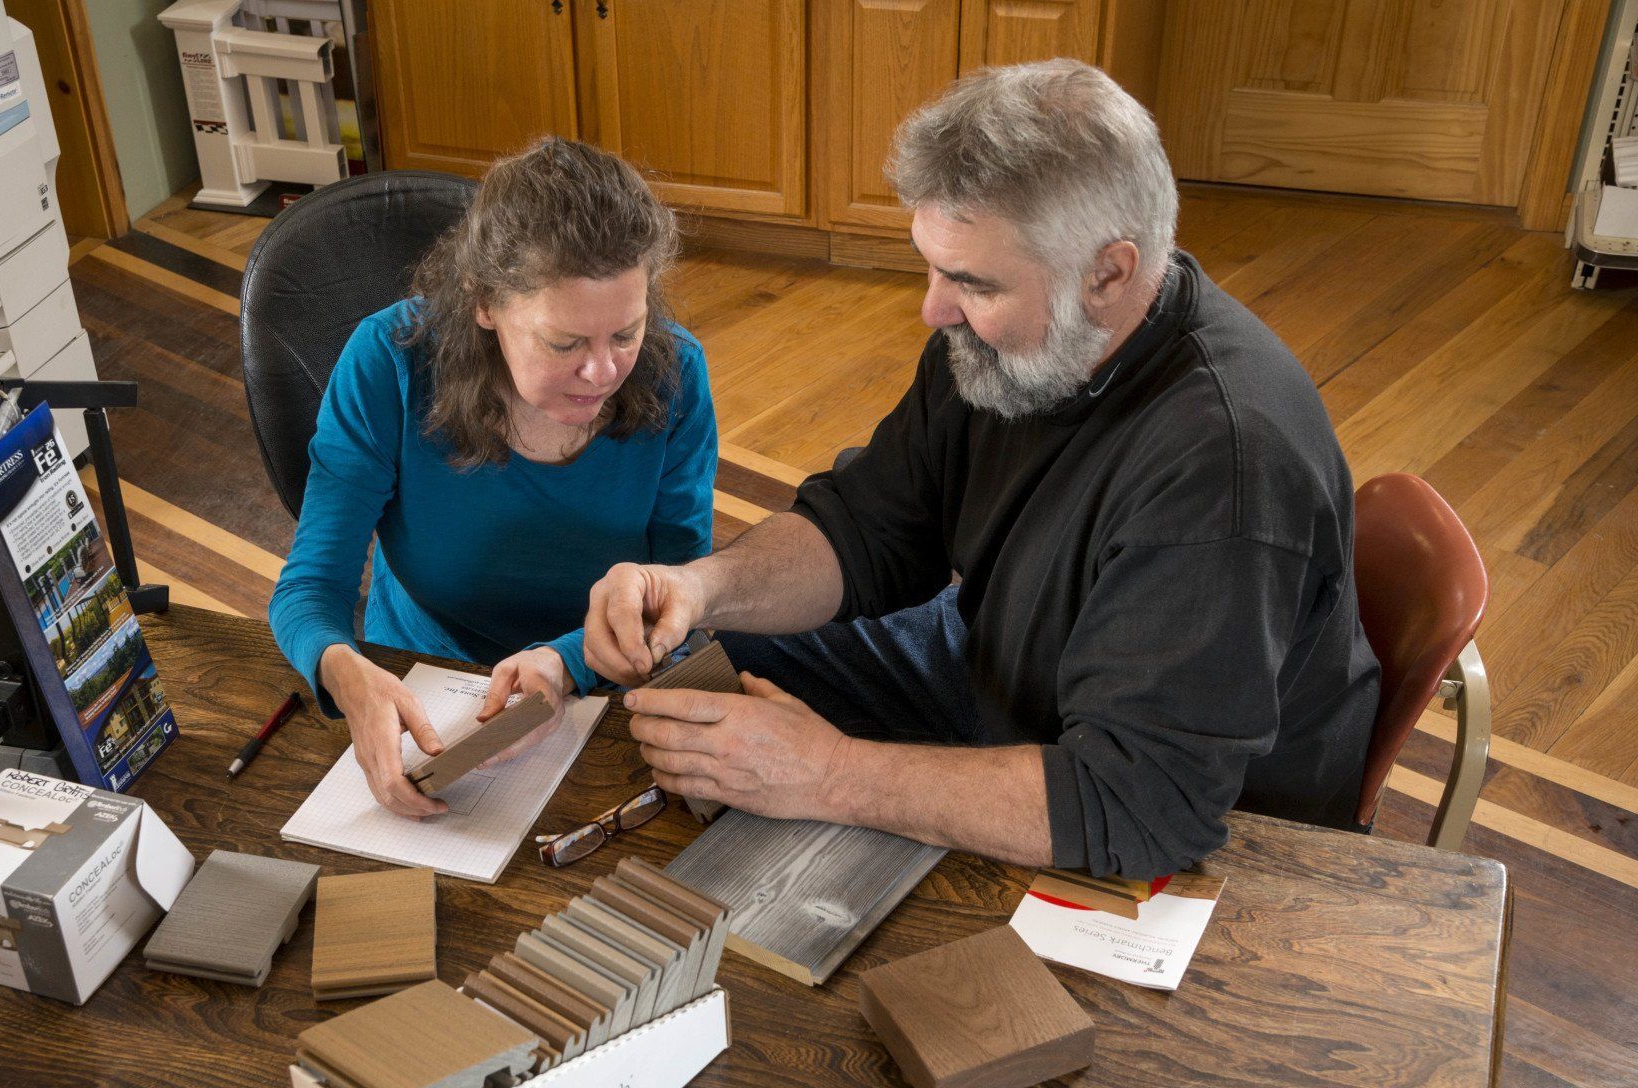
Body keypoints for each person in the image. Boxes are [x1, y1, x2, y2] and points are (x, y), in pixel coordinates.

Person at [582, 61, 1380, 881]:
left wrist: (828, 773)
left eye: (969, 281)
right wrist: (701, 586)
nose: (933, 308)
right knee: (713, 651)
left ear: (1108, 272)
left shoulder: (1223, 467)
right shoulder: (1015, 343)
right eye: (932, 266)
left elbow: (1137, 804)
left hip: (1204, 838)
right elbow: (868, 526)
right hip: (1008, 681)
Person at [270, 138, 716, 819]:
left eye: (625, 333)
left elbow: (675, 592)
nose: (602, 371)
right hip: (426, 695)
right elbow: (309, 586)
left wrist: (566, 662)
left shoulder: (677, 373)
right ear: (483, 303)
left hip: (600, 688)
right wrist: (344, 670)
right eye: (565, 343)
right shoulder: (388, 364)